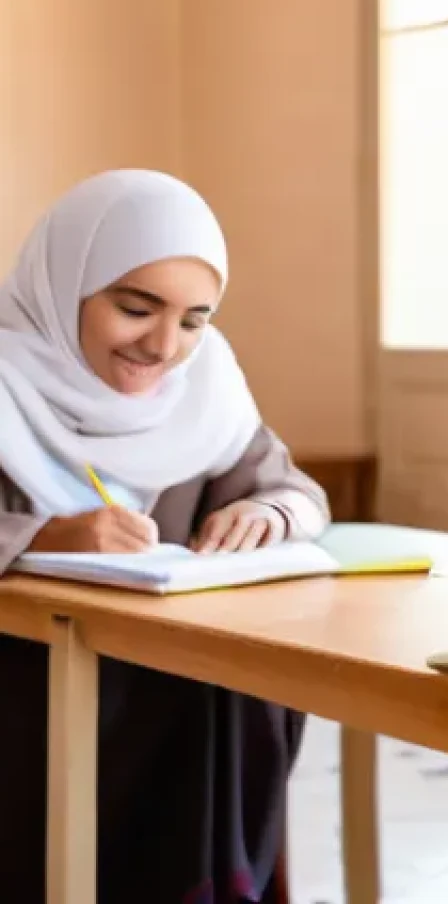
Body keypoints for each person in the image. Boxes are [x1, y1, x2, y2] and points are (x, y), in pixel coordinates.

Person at [0, 169, 330, 903]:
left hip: (172, 688)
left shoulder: (202, 389)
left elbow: (295, 490)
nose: (162, 346)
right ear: (65, 283)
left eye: (193, 320)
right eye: (135, 308)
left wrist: (270, 513)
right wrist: (43, 535)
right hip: (30, 699)